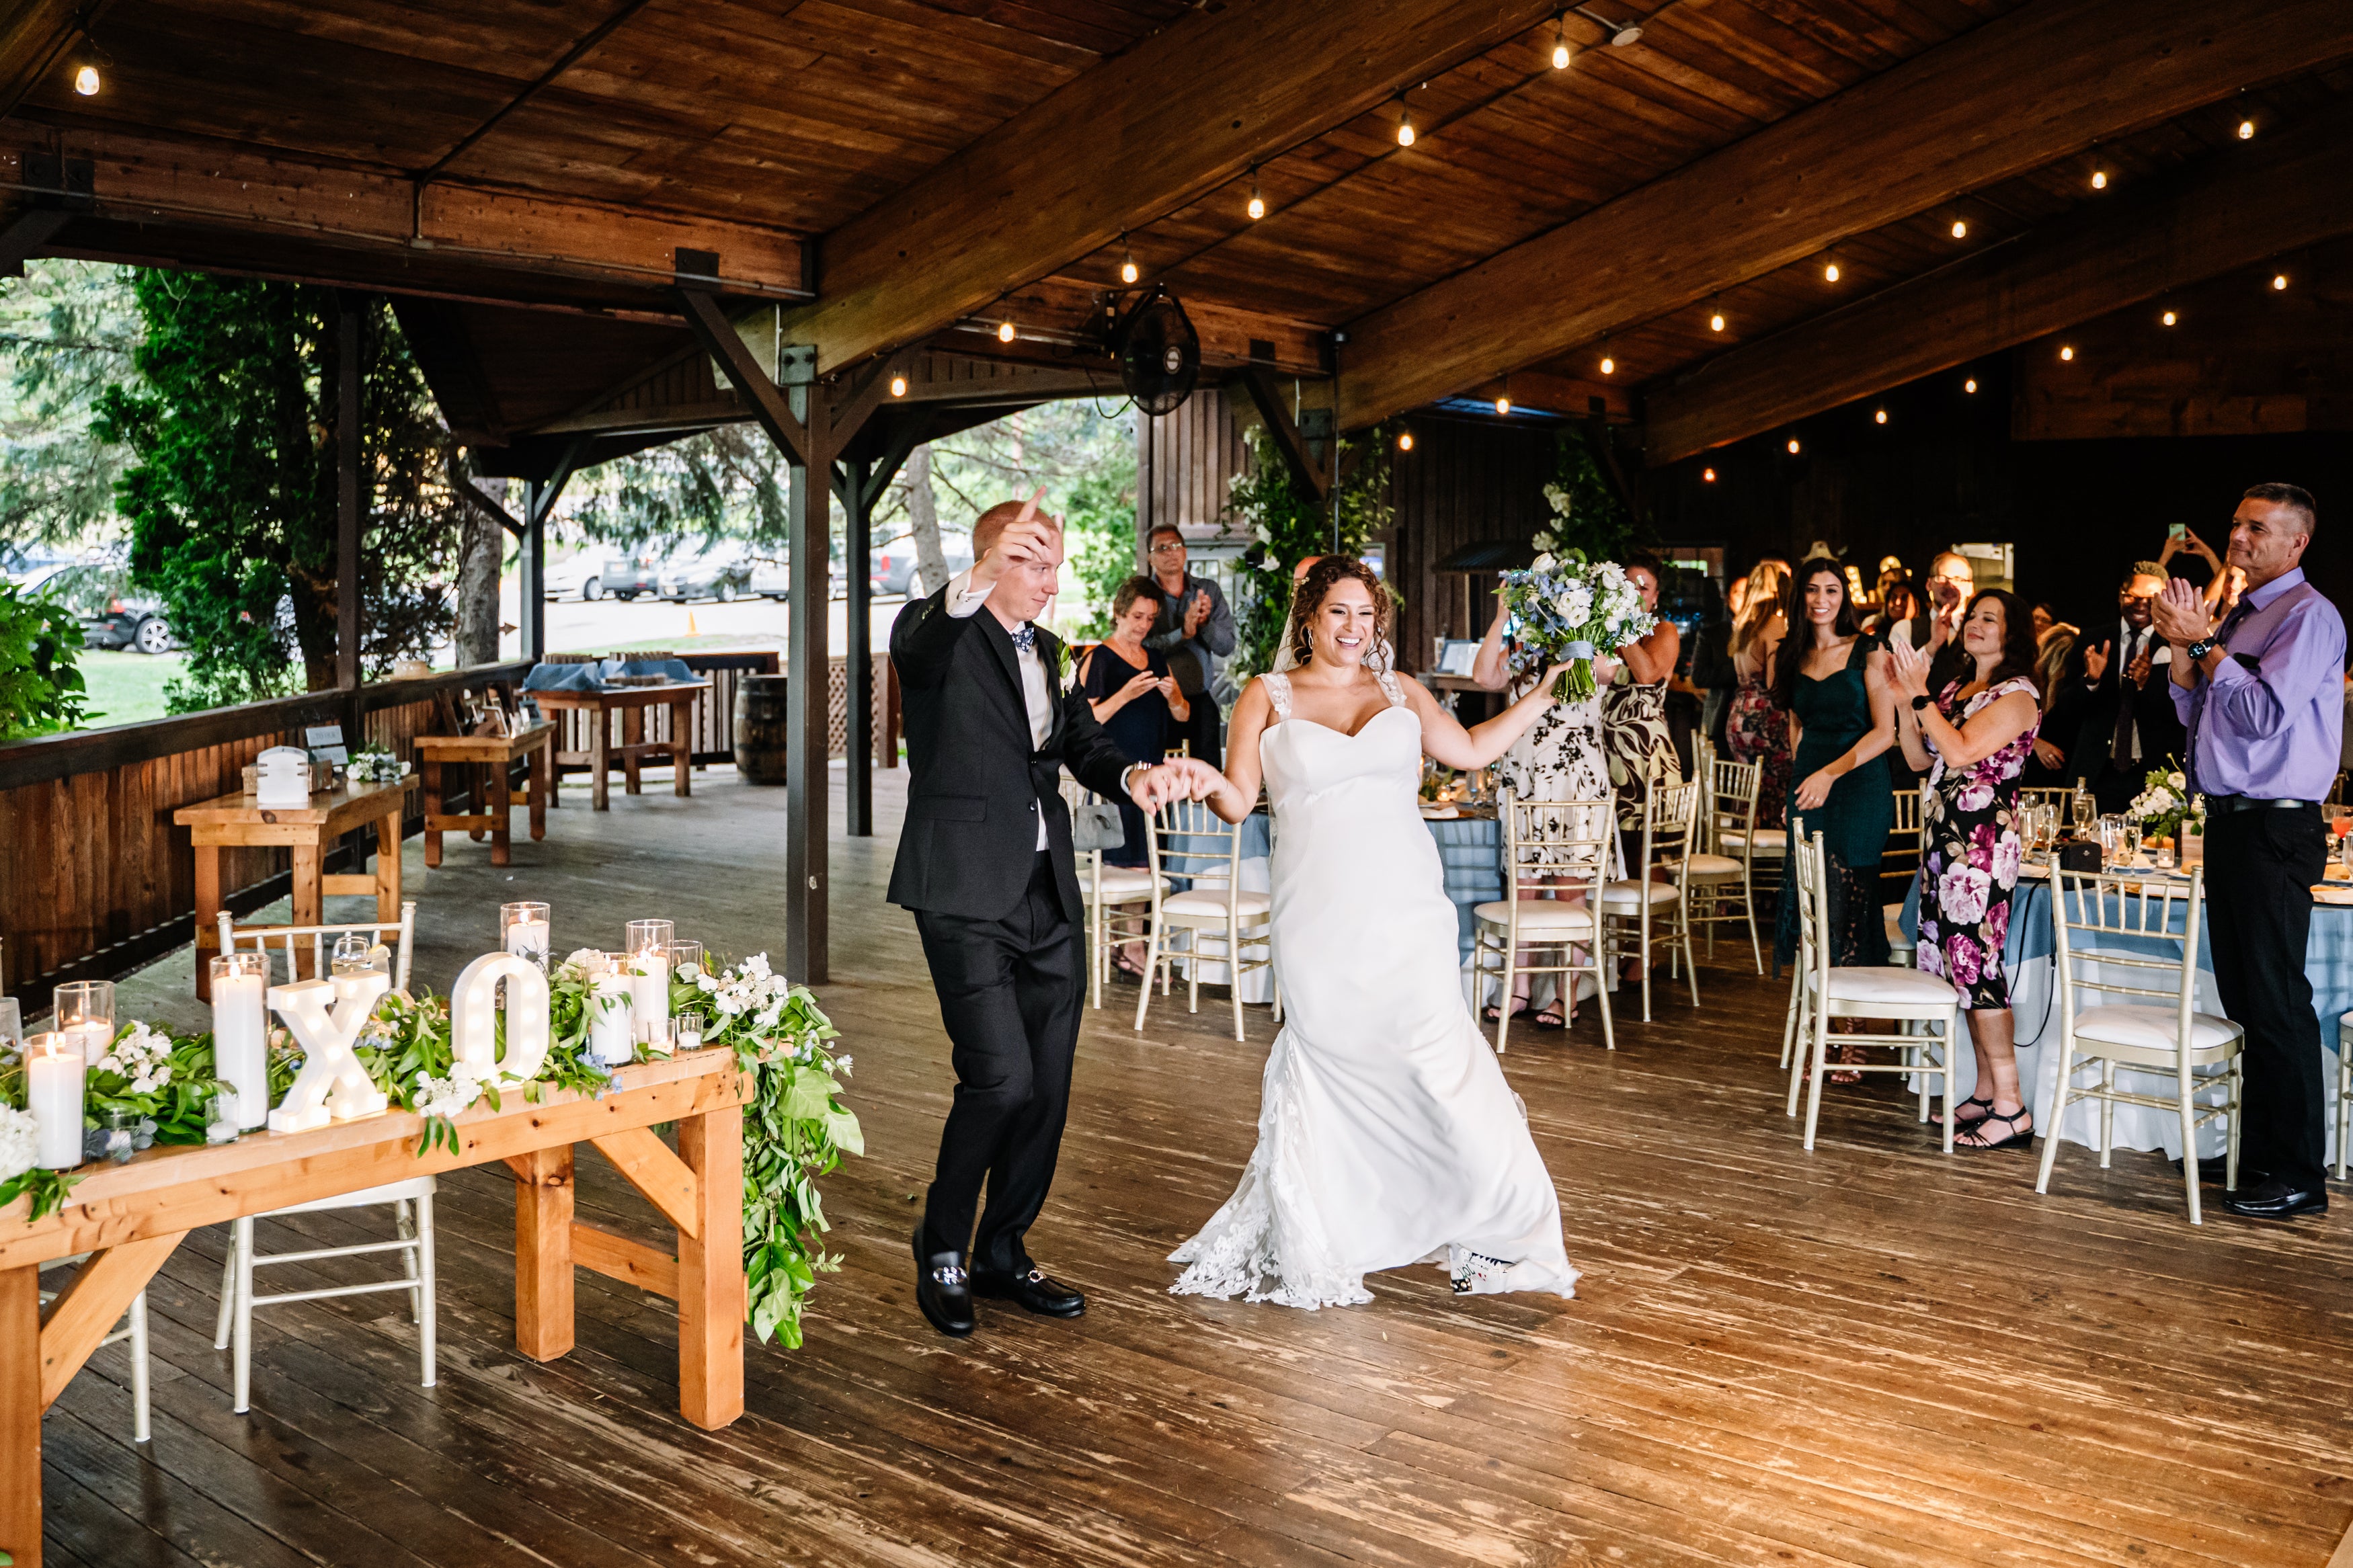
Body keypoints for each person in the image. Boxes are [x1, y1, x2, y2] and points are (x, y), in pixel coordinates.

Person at [1169, 556, 1580, 1306]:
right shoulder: (1265, 696)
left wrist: (1546, 692)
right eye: (1339, 613)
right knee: (1333, 1069)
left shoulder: (1400, 690)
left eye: (1366, 615)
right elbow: (1237, 800)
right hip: (1320, 918)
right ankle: (1333, 1230)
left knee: (1444, 1066)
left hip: (1409, 911)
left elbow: (1472, 749)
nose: (1354, 628)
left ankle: (1506, 1235)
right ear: (1308, 617)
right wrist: (1199, 779)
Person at [889, 494, 1216, 1337]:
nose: (1047, 578)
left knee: (1047, 1088)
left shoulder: (1053, 652)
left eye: (1053, 562)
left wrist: (1134, 777)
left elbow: (1080, 744)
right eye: (1030, 560)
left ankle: (1004, 1248)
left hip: (1046, 893)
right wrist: (979, 574)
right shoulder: (939, 635)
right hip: (961, 888)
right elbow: (919, 637)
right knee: (998, 1078)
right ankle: (943, 1243)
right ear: (990, 561)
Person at [2151, 483, 2344, 1220]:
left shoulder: (2308, 616)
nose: (2236, 538)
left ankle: (2298, 1172)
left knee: (2275, 1000)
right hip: (2231, 823)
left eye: (2254, 528)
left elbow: (2262, 714)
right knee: (2244, 999)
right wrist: (2180, 652)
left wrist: (2202, 644)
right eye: (2234, 525)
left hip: (2274, 826)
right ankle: (2258, 1153)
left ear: (2295, 542)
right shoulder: (2241, 613)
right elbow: (2199, 711)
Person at [1888, 589, 2043, 1151]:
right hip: (1943, 848)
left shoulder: (2018, 695)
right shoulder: (1957, 689)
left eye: (1989, 618)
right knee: (1959, 971)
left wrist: (1922, 694)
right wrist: (1908, 701)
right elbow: (1917, 758)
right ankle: (1982, 1092)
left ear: (2013, 633)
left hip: (1979, 849)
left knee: (1979, 970)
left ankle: (2012, 1106)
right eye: (1972, 616)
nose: (1975, 625)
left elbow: (1959, 751)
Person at [1771, 559, 1898, 1079]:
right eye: (1812, 590)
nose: (1821, 598)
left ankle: (1852, 1038)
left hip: (1859, 786)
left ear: (1844, 596)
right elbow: (1797, 726)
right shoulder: (1790, 653)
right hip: (1812, 788)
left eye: (1831, 589)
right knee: (1813, 913)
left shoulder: (1870, 649)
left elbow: (1885, 733)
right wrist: (1799, 786)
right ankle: (1824, 1027)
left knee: (1847, 911)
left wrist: (1828, 774)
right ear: (1799, 597)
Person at [1472, 582, 1618, 1030]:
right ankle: (1517, 988)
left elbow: (1609, 672)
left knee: (1571, 891)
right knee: (1525, 887)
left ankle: (1566, 994)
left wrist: (1576, 625)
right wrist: (1501, 618)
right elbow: (1483, 677)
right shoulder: (1520, 652)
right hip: (1526, 778)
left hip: (1575, 780)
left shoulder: (1590, 647)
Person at [1079, 577, 1190, 978]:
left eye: (1151, 618)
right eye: (1138, 616)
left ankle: (1128, 949)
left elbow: (1183, 716)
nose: (1144, 625)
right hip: (1113, 777)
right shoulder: (1099, 659)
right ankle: (1131, 950)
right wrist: (1126, 694)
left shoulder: (1157, 659)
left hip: (1152, 776)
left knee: (1147, 865)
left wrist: (1172, 696)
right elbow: (1085, 721)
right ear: (1120, 612)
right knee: (1129, 867)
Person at [2075, 561, 2188, 813]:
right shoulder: (2092, 639)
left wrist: (2145, 686)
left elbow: (2184, 712)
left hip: (2156, 773)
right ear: (2120, 595)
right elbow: (2067, 708)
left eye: (2152, 599)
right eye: (2133, 597)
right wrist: (2091, 680)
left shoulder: (2177, 643)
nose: (2141, 605)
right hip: (2099, 770)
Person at [1601, 553, 1683, 832]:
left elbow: (1646, 675)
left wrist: (1621, 624)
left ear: (1655, 597)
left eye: (1642, 588)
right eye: (1627, 585)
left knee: (1647, 850)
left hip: (1644, 756)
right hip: (1602, 750)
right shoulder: (1600, 633)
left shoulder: (1664, 631)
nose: (1633, 594)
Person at [1143, 525, 1234, 764]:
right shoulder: (1142, 595)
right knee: (1163, 779)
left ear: (1184, 552)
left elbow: (1227, 646)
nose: (1170, 552)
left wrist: (1204, 624)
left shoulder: (1208, 590)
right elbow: (1139, 647)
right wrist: (1182, 633)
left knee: (1206, 780)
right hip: (1156, 702)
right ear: (1149, 557)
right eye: (1162, 548)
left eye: (1175, 545)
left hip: (1201, 702)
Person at [1725, 559, 1793, 828]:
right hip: (1764, 716)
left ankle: (1746, 847)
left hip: (1739, 712)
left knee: (1749, 786)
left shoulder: (1744, 624)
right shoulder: (1774, 624)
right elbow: (1774, 683)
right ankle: (1773, 846)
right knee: (1776, 782)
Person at [1888, 550, 1976, 696]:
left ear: (1970, 588)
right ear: (1929, 584)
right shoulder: (1904, 628)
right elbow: (1895, 681)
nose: (1950, 585)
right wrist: (1932, 645)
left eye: (1959, 579)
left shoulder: (1980, 630)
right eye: (1942, 578)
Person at [2020, 621, 2089, 790]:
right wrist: (2034, 742)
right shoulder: (2023, 688)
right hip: (2026, 777)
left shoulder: (2071, 693)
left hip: (2061, 778)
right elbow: (2001, 728)